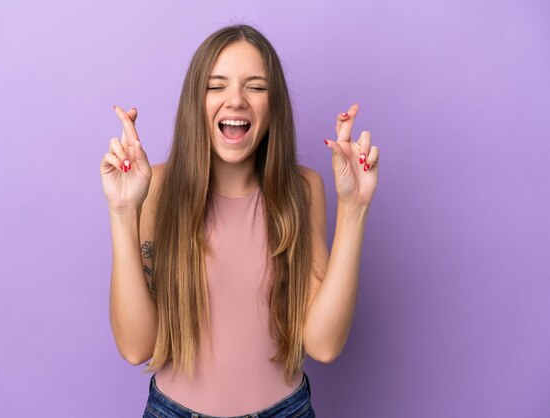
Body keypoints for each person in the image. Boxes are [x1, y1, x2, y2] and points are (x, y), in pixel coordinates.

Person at [100, 24, 379, 418]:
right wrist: (122, 212)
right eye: (217, 86)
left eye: (256, 87)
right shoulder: (157, 188)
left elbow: (324, 344)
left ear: (273, 105)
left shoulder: (302, 189)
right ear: (196, 100)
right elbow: (135, 346)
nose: (236, 100)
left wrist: (355, 207)